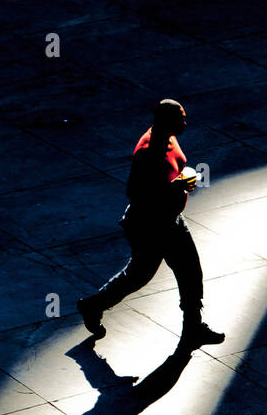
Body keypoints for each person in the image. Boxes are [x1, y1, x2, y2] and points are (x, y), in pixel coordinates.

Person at [77, 98, 225, 348]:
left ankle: (193, 327)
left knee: (190, 272)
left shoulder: (169, 137)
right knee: (139, 276)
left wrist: (181, 179)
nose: (185, 122)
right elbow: (135, 192)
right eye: (181, 118)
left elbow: (170, 170)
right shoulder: (147, 152)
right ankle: (93, 305)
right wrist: (174, 187)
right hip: (149, 225)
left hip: (171, 220)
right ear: (166, 121)